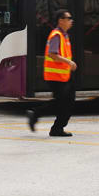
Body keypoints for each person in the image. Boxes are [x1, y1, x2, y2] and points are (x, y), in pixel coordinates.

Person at [27, 8, 77, 137]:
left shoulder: (64, 36)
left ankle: (56, 127)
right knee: (62, 103)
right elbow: (53, 54)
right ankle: (40, 116)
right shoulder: (56, 35)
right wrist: (69, 62)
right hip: (55, 77)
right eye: (69, 18)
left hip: (64, 76)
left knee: (68, 102)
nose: (71, 21)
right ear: (61, 21)